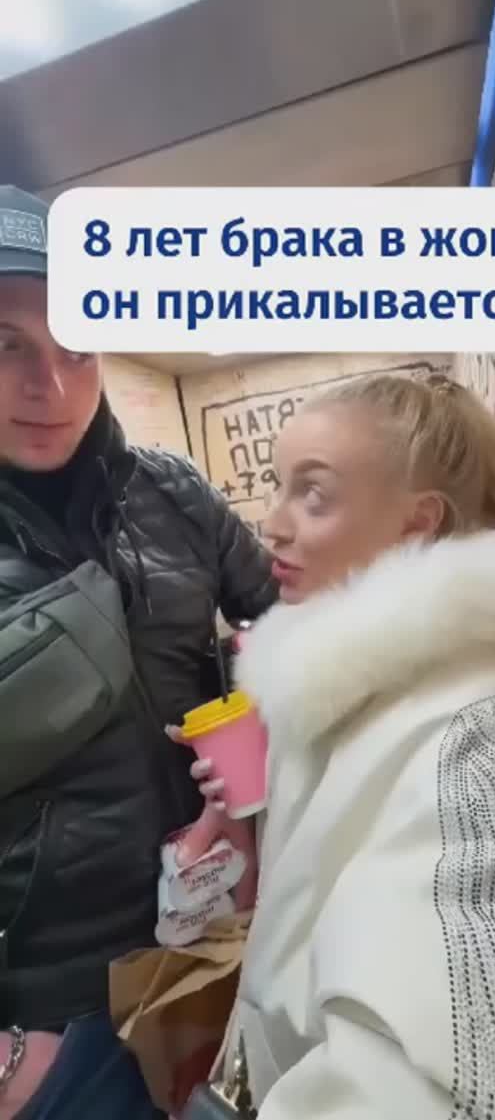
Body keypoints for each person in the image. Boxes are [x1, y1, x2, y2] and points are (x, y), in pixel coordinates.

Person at [213, 372, 495, 1118]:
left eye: (313, 495)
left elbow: (475, 1082)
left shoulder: (479, 736)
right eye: (278, 487)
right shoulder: (354, 687)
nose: (271, 525)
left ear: (418, 523)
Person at [0, 186, 277, 1117]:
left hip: (218, 944)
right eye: (7, 345)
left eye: (77, 347)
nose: (51, 386)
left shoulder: (175, 495)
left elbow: (288, 624)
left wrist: (255, 734)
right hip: (53, 1023)